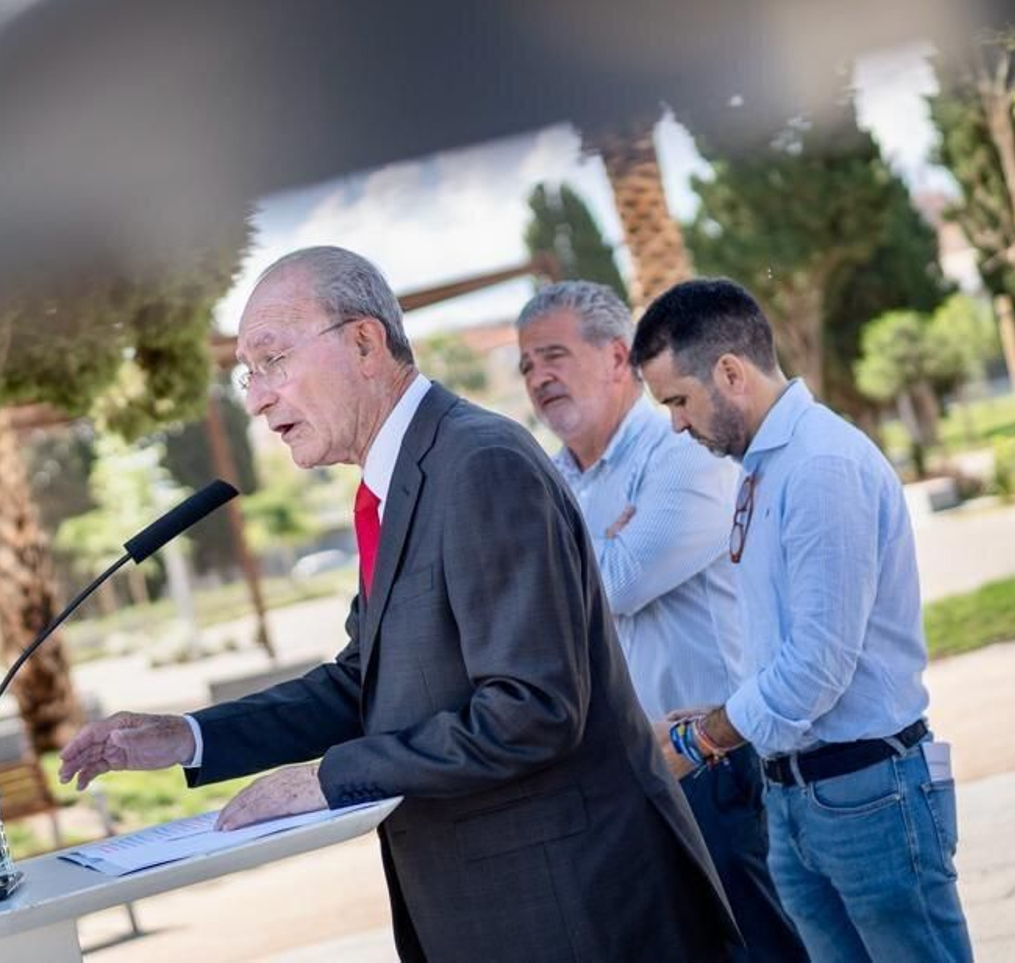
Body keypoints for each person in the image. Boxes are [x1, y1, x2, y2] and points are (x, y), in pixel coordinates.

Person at [60, 246, 739, 961]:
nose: (256, 398)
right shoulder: (404, 478)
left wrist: (330, 778)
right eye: (248, 375)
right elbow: (367, 682)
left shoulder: (479, 465)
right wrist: (190, 736)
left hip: (576, 910)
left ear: (363, 343)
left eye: (272, 362)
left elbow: (531, 712)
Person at [631, 277, 973, 962]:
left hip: (868, 795)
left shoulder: (820, 466)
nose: (674, 423)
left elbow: (816, 665)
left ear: (729, 373)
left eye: (678, 400)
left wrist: (702, 741)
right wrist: (721, 717)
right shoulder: (762, 468)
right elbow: (784, 648)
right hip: (798, 797)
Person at [516, 281, 805, 961]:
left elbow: (613, 585)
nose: (539, 377)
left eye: (554, 355)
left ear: (619, 357)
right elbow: (534, 602)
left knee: (762, 947)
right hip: (628, 774)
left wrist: (573, 561)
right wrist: (601, 546)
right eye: (527, 365)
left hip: (716, 760)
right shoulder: (551, 484)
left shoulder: (682, 451)